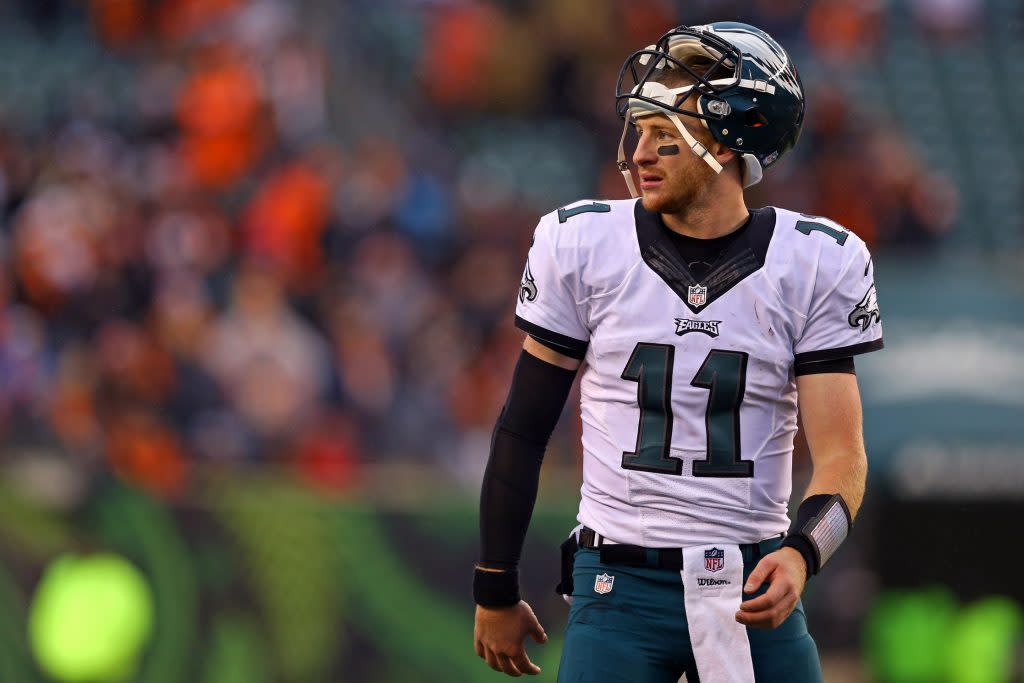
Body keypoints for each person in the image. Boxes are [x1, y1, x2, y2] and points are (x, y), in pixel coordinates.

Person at [472, 21, 883, 683]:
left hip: (753, 580)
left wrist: (804, 552)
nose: (639, 152)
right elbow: (522, 428)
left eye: (666, 134)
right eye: (637, 130)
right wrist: (494, 584)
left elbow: (843, 455)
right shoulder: (584, 245)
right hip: (618, 588)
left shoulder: (815, 262)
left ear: (730, 140)